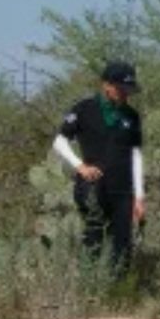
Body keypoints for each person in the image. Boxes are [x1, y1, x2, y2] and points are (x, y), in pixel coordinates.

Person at [52, 61, 146, 274]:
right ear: (107, 85)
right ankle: (90, 288)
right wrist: (80, 166)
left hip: (123, 189)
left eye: (128, 90)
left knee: (122, 243)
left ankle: (117, 292)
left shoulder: (132, 116)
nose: (125, 94)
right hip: (93, 186)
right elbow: (59, 141)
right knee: (94, 237)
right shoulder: (84, 109)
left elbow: (136, 154)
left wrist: (139, 195)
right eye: (121, 89)